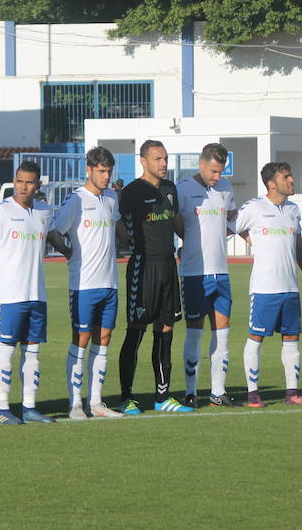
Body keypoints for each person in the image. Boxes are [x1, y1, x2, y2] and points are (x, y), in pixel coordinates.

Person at [0, 161, 70, 425]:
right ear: (14, 182)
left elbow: (53, 236)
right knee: (5, 350)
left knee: (32, 352)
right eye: (19, 181)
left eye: (29, 182)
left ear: (38, 185)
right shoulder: (0, 212)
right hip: (9, 297)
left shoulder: (43, 211)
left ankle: (29, 406)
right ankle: (3, 409)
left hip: (37, 294)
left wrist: (70, 253)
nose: (23, 187)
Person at [117, 140, 192, 414]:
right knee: (136, 331)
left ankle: (163, 397)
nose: (163, 163)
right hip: (143, 266)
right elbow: (120, 228)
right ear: (143, 160)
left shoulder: (171, 189)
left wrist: (190, 240)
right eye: (158, 158)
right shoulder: (132, 192)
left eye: (165, 158)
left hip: (168, 265)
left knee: (166, 330)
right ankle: (126, 397)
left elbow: (176, 220)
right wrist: (131, 241)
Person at [235, 162, 302, 408]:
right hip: (264, 289)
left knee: (292, 339)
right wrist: (253, 240)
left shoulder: (293, 210)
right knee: (256, 338)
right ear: (272, 184)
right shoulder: (254, 207)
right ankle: (253, 394)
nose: (292, 180)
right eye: (286, 176)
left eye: (291, 175)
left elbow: (299, 247)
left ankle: (292, 392)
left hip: (290, 288)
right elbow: (233, 226)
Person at [52, 147, 124, 419]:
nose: (106, 176)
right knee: (80, 339)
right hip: (83, 284)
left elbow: (116, 227)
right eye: (101, 171)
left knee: (103, 339)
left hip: (109, 283)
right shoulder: (76, 200)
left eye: (109, 171)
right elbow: (55, 231)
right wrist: (68, 253)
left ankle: (96, 402)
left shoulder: (111, 198)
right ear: (89, 170)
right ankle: (75, 404)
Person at [176, 143, 240, 408]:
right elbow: (175, 222)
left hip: (221, 273)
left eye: (221, 171)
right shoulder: (183, 190)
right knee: (194, 333)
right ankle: (191, 391)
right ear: (201, 164)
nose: (217, 176)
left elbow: (233, 218)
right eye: (213, 171)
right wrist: (190, 242)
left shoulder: (225, 188)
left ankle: (217, 391)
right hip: (193, 274)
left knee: (222, 333)